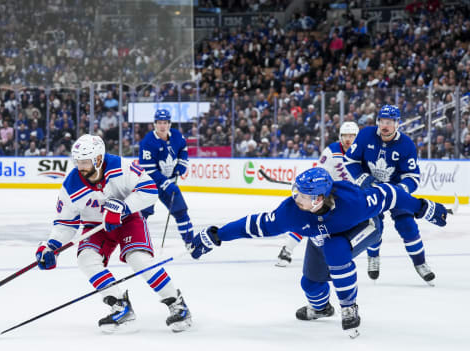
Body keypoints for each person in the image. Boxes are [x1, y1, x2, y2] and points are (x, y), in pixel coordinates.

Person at [188, 167, 449, 337]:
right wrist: (217, 236)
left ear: (319, 199)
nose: (295, 197)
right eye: (296, 191)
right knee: (310, 283)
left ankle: (348, 306)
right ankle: (322, 308)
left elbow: (391, 194)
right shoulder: (291, 211)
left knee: (336, 250)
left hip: (366, 226)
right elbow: (255, 225)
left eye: (302, 195)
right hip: (324, 234)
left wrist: (423, 207)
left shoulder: (355, 203)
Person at [35, 134, 192, 333]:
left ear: (99, 159)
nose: (80, 166)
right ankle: (120, 305)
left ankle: (177, 304)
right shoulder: (70, 186)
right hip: (96, 226)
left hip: (129, 220)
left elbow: (150, 190)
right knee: (86, 260)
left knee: (139, 260)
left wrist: (123, 207)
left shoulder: (121, 167)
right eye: (77, 161)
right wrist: (51, 246)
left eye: (85, 162)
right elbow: (65, 223)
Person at [344, 105, 434, 284]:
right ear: (378, 122)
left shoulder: (406, 144)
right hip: (371, 189)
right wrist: (364, 179)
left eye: (389, 122)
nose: (385, 126)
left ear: (397, 124)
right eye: (382, 122)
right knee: (373, 226)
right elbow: (350, 160)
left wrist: (400, 190)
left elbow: (412, 177)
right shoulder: (366, 135)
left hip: (395, 191)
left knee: (407, 225)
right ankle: (373, 257)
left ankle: (420, 263)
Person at [276, 121, 359, 267]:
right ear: (340, 136)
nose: (348, 139)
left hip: (349, 198)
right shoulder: (331, 151)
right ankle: (287, 249)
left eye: (352, 136)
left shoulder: (363, 152)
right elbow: (320, 173)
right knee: (308, 220)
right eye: (345, 135)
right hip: (330, 195)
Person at [138, 109, 193, 248]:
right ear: (155, 124)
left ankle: (190, 243)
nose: (162, 126)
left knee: (180, 211)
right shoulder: (148, 142)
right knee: (142, 213)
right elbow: (149, 170)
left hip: (169, 182)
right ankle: (134, 241)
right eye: (159, 123)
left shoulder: (176, 135)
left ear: (169, 124)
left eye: (165, 123)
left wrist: (182, 163)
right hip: (149, 184)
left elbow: (183, 149)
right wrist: (166, 184)